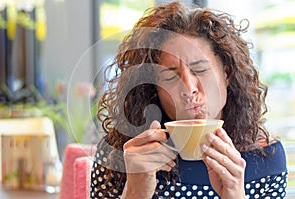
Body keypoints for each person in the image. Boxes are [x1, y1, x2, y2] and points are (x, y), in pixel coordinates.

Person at [90, 1, 288, 198]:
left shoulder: (267, 157)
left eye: (200, 70)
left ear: (227, 73)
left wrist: (235, 194)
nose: (189, 89)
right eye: (169, 76)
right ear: (153, 88)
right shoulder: (121, 154)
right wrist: (135, 191)